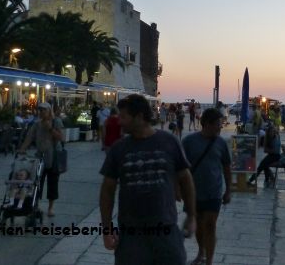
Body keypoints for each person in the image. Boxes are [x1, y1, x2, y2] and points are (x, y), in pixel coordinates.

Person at [99, 94, 196, 265]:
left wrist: (191, 214)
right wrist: (107, 229)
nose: (119, 121)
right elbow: (107, 190)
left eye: (124, 117)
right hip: (131, 236)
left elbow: (185, 179)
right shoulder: (118, 149)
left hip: (166, 231)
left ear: (139, 117)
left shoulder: (169, 142)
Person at [182, 108, 231, 265]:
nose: (220, 127)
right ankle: (201, 253)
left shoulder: (221, 143)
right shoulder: (189, 142)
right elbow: (180, 168)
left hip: (214, 192)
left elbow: (227, 167)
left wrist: (228, 190)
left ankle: (209, 261)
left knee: (210, 225)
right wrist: (177, 188)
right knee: (199, 226)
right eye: (218, 124)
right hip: (193, 192)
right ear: (207, 124)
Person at [19, 102, 64, 217]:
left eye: (44, 110)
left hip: (53, 156)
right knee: (36, 182)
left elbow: (61, 137)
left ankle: (50, 208)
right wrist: (22, 149)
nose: (41, 112)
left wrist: (50, 129)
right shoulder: (37, 124)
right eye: (40, 110)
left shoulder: (56, 122)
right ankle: (35, 204)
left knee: (53, 183)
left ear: (49, 111)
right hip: (39, 156)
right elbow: (29, 137)